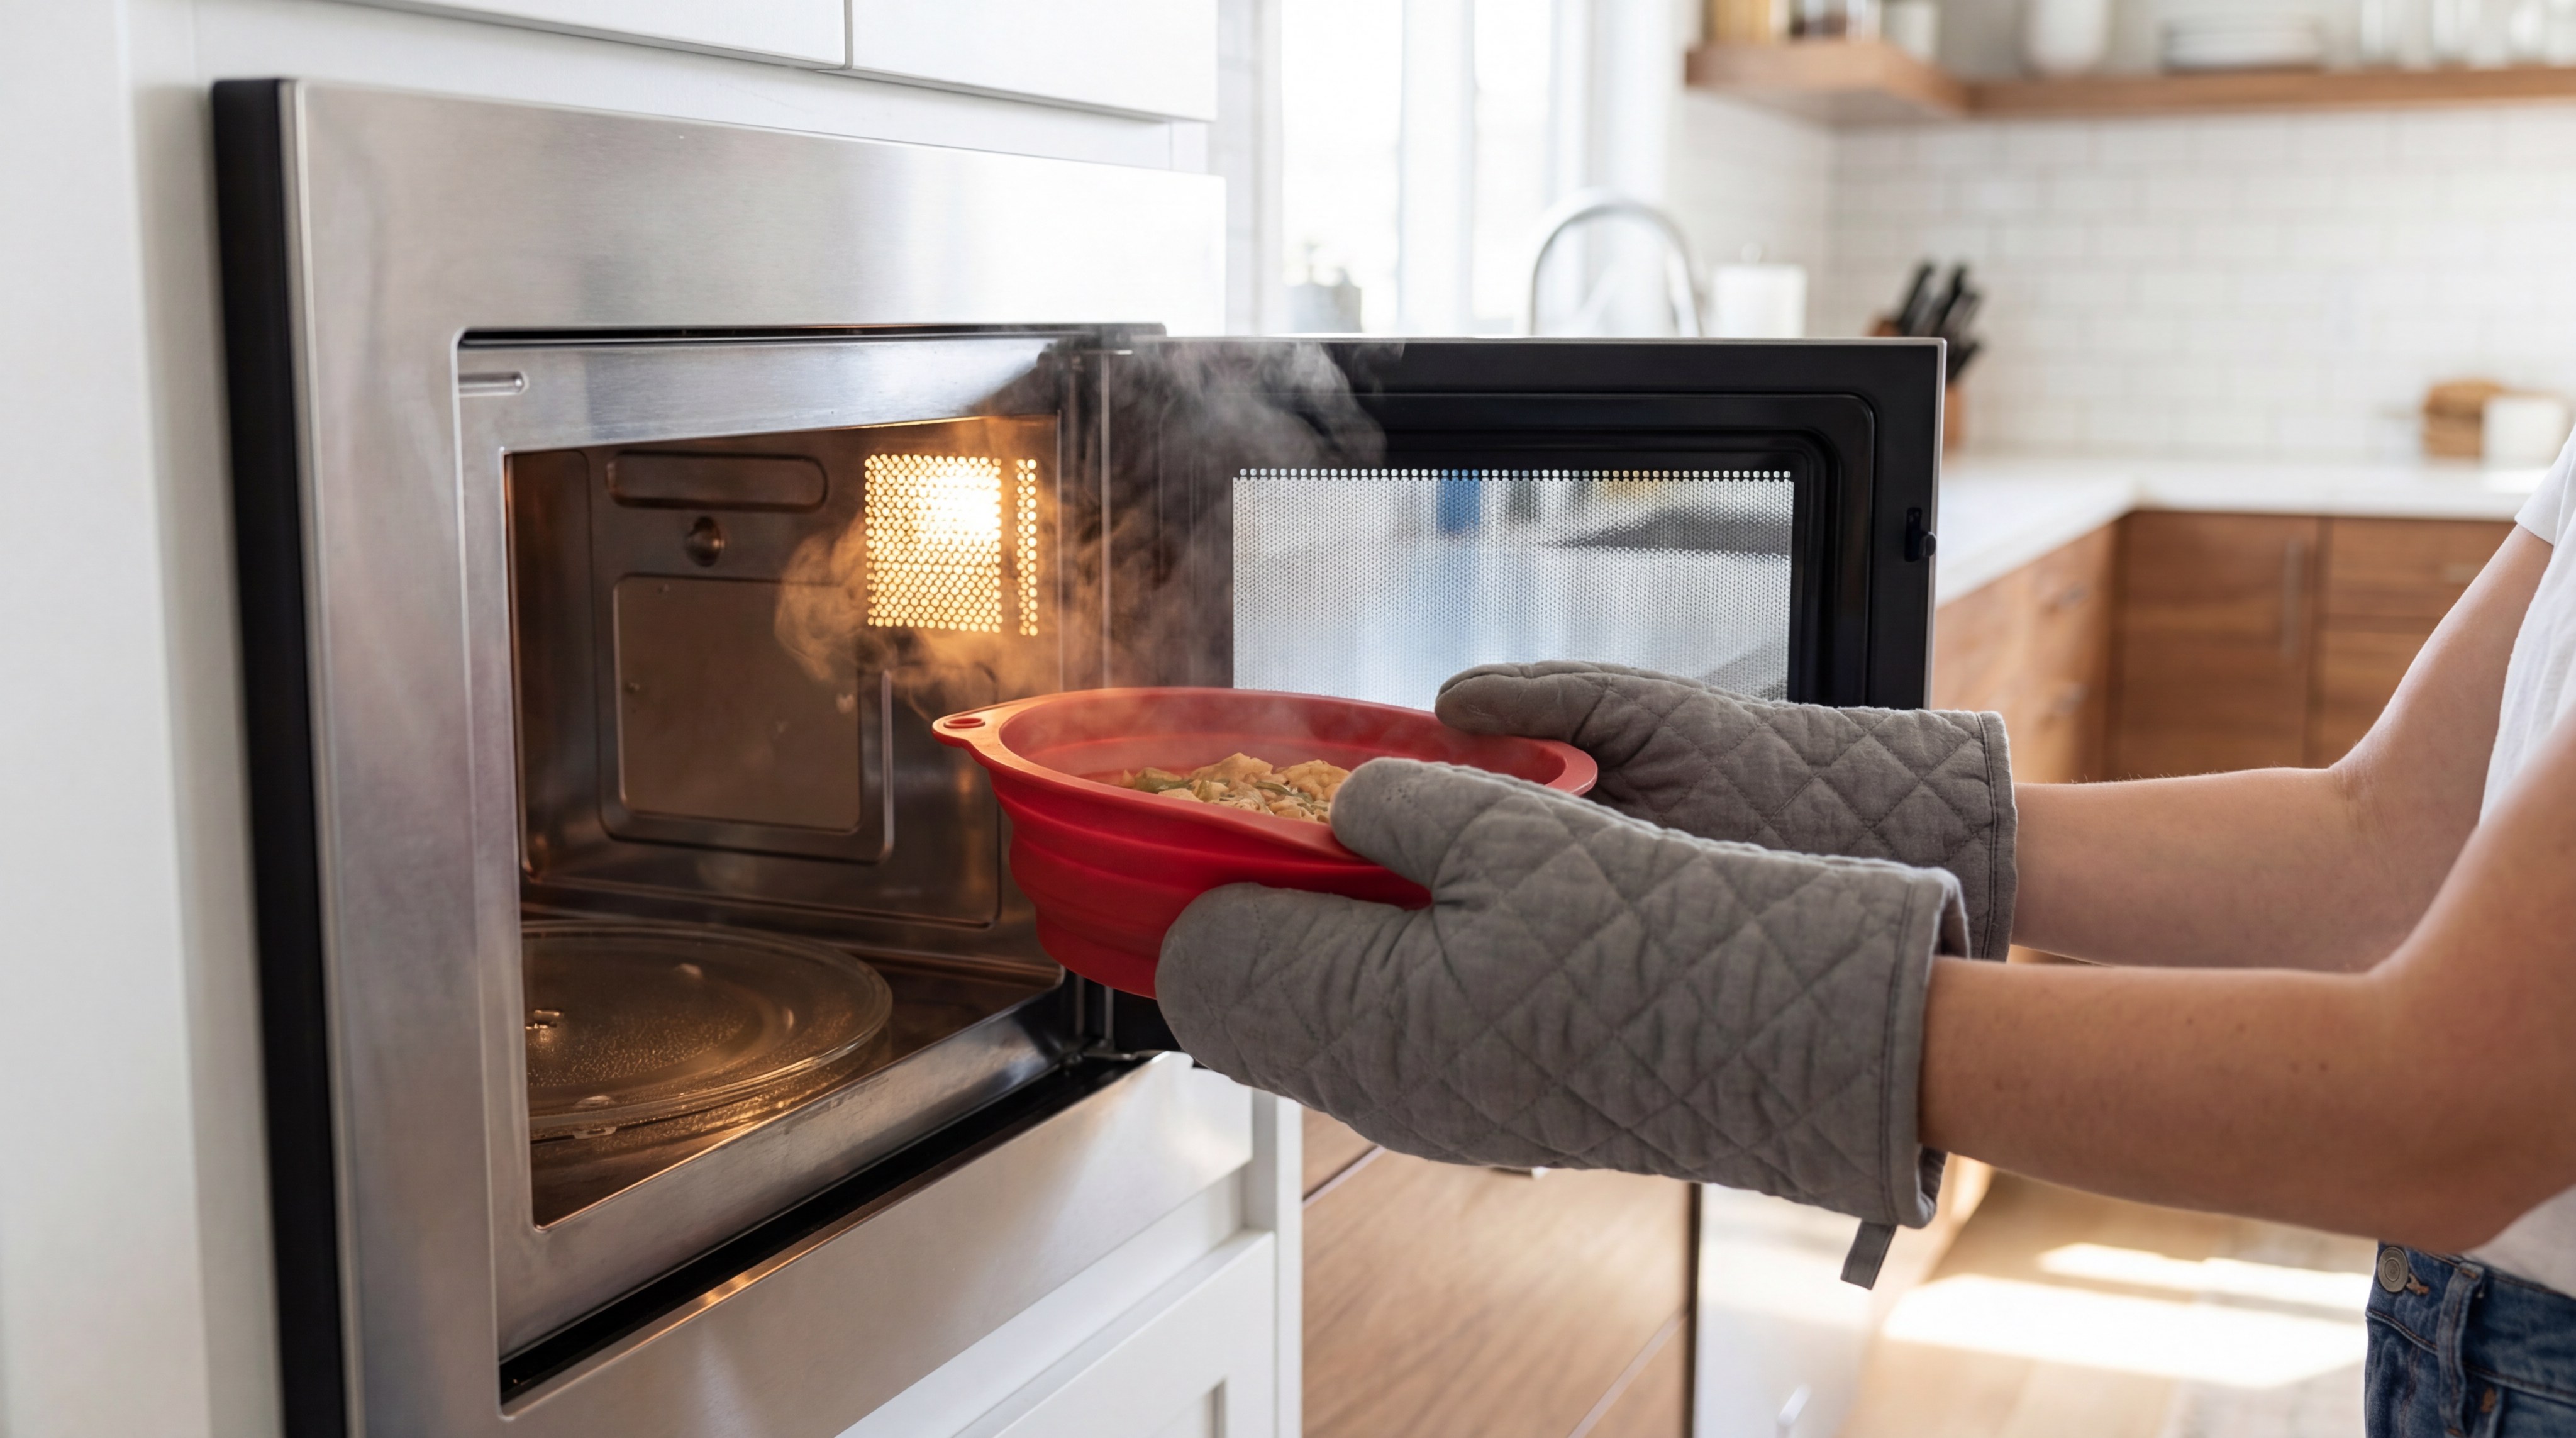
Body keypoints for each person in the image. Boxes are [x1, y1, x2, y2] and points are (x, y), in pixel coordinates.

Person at [1154, 439, 2576, 1438]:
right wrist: (1833, 806)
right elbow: (2388, 844)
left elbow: (2456, 1104)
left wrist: (1684, 999)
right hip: (2466, 1328)